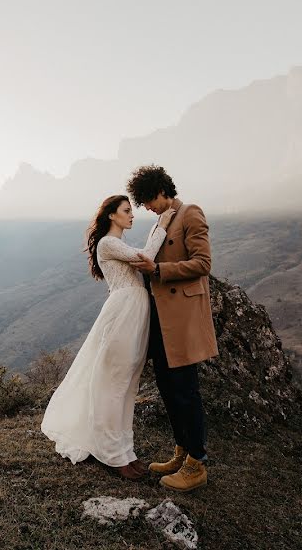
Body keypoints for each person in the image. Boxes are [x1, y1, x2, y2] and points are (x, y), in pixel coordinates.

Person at [41, 194, 175, 480]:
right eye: (126, 211)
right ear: (112, 215)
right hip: (124, 312)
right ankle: (112, 455)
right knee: (115, 385)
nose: (132, 215)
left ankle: (126, 451)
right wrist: (162, 224)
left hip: (136, 312)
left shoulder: (118, 244)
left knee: (128, 385)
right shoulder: (107, 243)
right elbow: (146, 259)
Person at [126, 165, 218, 492]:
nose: (147, 207)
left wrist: (159, 269)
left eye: (148, 200)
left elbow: (203, 263)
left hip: (182, 319)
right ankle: (181, 452)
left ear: (162, 191)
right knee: (167, 388)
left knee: (185, 391)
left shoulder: (190, 213)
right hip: (161, 322)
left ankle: (197, 463)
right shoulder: (161, 222)